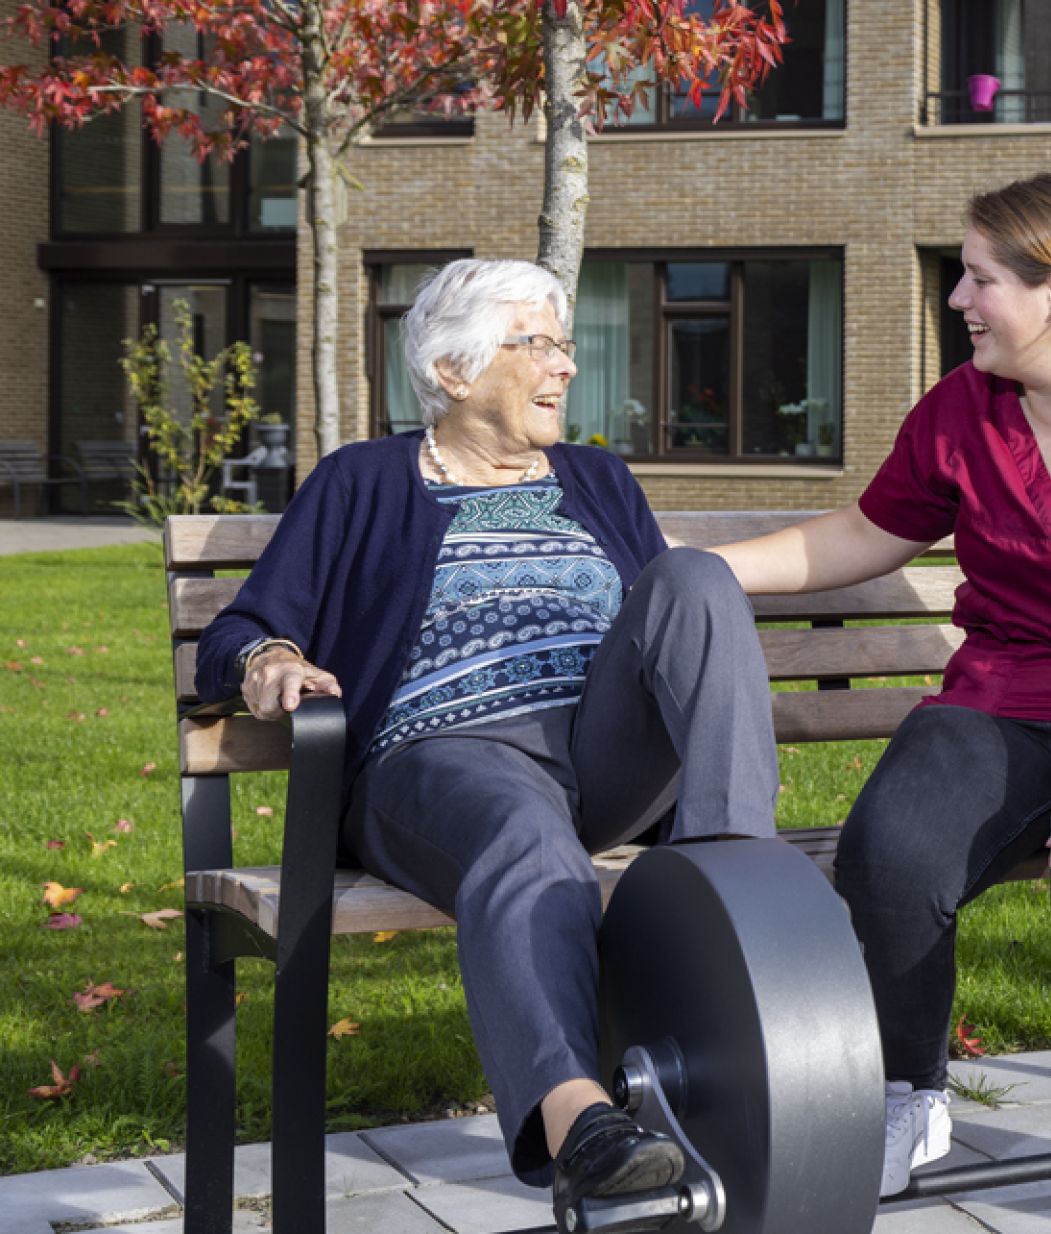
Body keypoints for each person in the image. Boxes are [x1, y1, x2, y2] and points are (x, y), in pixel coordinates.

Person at [713, 173, 1051, 1233]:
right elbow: (863, 536)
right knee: (890, 850)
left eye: (977, 279)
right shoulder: (962, 410)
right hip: (999, 701)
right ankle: (913, 1092)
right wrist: (697, 564)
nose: (958, 299)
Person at [193, 258, 780, 1223]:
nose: (564, 366)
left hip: (597, 754)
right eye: (536, 344)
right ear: (453, 371)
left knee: (700, 579)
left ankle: (738, 902)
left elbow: (671, 622)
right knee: (521, 830)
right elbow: (241, 627)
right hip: (438, 757)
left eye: (563, 342)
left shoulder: (598, 476)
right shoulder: (363, 481)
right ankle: (582, 1126)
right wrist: (268, 659)